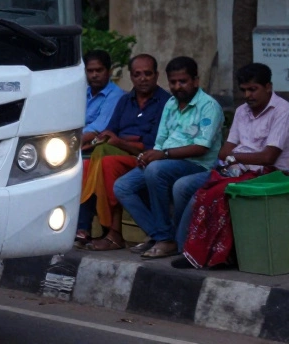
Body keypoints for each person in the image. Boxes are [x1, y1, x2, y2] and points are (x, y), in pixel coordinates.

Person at [173, 63, 289, 269]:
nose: (248, 95)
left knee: (208, 196)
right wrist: (237, 159)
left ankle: (210, 255)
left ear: (268, 87)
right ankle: (187, 249)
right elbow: (224, 152)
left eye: (253, 89)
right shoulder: (242, 111)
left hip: (270, 174)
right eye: (244, 90)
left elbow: (268, 157)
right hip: (237, 170)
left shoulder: (283, 111)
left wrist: (236, 157)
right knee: (185, 187)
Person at [113, 56, 224, 259]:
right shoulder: (171, 104)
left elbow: (201, 147)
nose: (177, 86)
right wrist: (149, 156)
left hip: (197, 165)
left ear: (195, 81)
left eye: (183, 81)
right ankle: (159, 236)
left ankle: (164, 238)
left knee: (156, 170)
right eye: (173, 82)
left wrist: (162, 155)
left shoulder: (209, 106)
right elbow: (161, 140)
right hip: (167, 162)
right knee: (123, 186)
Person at [80, 54, 170, 250]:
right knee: (89, 164)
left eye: (147, 74)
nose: (142, 79)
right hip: (119, 153)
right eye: (137, 74)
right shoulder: (125, 101)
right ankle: (87, 228)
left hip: (148, 158)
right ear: (131, 76)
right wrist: (123, 140)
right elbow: (109, 132)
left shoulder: (165, 103)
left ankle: (113, 233)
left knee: (105, 162)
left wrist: (121, 141)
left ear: (156, 75)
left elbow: (152, 145)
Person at [82, 50, 125, 150]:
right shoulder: (83, 92)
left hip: (93, 145)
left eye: (99, 70)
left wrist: (70, 140)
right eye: (90, 71)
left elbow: (98, 128)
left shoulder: (115, 95)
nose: (94, 75)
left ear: (109, 71)